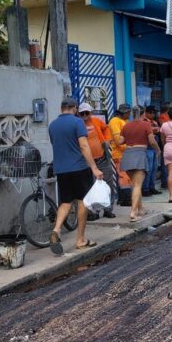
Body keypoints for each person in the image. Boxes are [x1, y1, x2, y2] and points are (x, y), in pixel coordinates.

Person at [48, 97, 102, 255]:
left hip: (61, 169)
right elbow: (84, 145)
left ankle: (56, 230)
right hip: (79, 168)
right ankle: (80, 240)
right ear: (74, 108)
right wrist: (94, 168)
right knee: (82, 202)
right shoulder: (78, 122)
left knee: (66, 202)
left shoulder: (52, 125)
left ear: (61, 108)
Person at [119, 106, 161, 221]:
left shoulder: (126, 125)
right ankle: (133, 212)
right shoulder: (146, 125)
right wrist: (158, 150)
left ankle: (141, 209)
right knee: (137, 185)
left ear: (131, 114)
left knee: (135, 185)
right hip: (140, 154)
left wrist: (130, 137)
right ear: (142, 114)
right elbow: (152, 141)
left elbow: (120, 141)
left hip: (127, 155)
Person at [78, 103, 116, 218]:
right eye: (82, 113)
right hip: (86, 162)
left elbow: (106, 128)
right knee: (90, 187)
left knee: (108, 184)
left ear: (91, 112)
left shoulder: (96, 121)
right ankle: (93, 212)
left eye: (87, 113)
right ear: (79, 114)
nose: (85, 115)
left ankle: (108, 209)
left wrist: (107, 140)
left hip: (102, 159)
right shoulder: (77, 124)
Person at [142, 105, 162, 197]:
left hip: (154, 148)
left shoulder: (154, 121)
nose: (153, 114)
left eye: (154, 113)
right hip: (147, 147)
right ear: (146, 113)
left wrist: (154, 129)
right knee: (148, 169)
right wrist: (154, 129)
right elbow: (150, 131)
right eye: (151, 113)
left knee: (154, 169)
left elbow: (158, 130)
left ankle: (152, 187)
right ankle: (145, 189)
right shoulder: (144, 121)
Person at [108, 103, 131, 171]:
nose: (129, 114)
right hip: (118, 155)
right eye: (128, 113)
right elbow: (118, 140)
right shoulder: (114, 121)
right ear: (124, 113)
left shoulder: (125, 121)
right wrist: (129, 147)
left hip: (125, 154)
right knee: (123, 176)